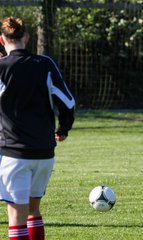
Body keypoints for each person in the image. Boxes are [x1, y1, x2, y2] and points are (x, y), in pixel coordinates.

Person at [0, 17, 75, 240]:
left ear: (1, 40)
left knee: (16, 220)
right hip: (44, 153)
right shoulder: (45, 64)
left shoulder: (1, 68)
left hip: (14, 154)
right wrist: (63, 129)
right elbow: (68, 103)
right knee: (34, 212)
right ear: (26, 37)